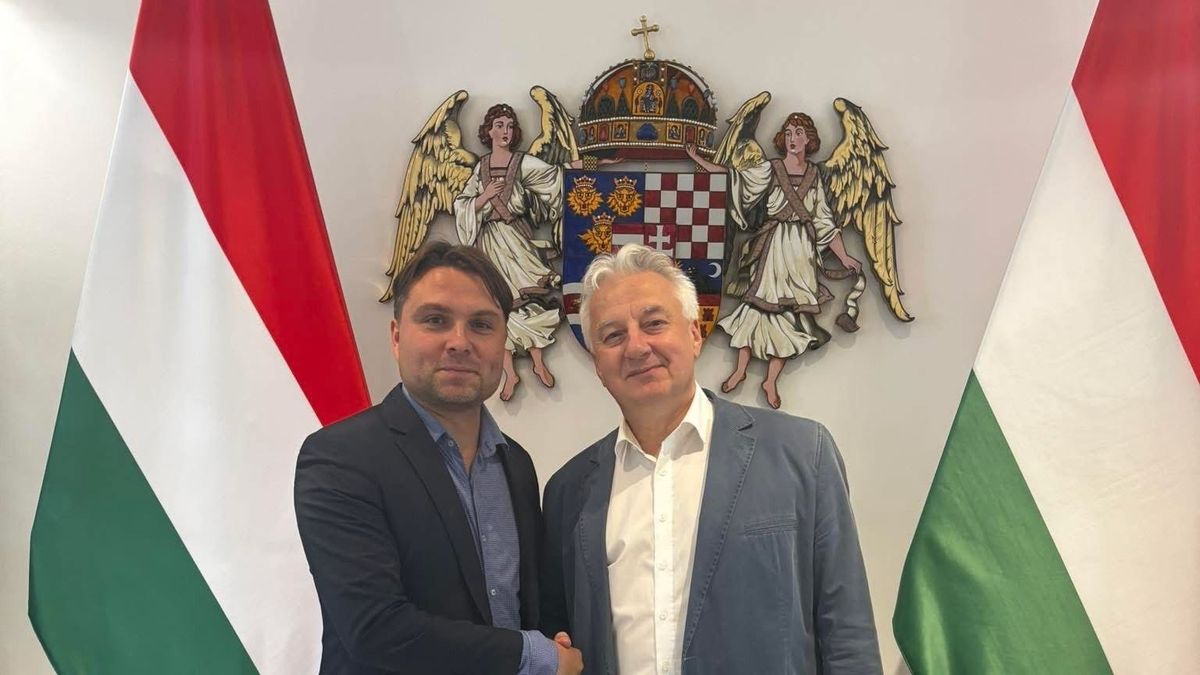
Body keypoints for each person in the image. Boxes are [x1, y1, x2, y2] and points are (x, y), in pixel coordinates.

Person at [540, 244, 882, 674]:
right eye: (613, 336)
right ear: (597, 365)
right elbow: (563, 641)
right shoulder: (569, 491)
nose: (637, 347)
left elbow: (847, 635)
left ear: (694, 334)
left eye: (654, 323)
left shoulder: (800, 453)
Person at [295, 242, 582, 675]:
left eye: (481, 325)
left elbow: (527, 609)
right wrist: (537, 656)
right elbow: (376, 630)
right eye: (435, 320)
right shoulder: (339, 459)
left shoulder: (516, 464)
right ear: (396, 337)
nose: (459, 342)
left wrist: (553, 642)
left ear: (504, 339)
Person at [686, 114, 863, 409]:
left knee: (788, 315)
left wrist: (844, 256)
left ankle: (770, 380)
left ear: (809, 139)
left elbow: (823, 220)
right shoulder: (772, 168)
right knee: (756, 306)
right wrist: (700, 161)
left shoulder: (815, 176)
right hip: (774, 243)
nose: (793, 138)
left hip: (801, 252)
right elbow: (735, 178)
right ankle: (740, 370)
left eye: (799, 133)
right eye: (789, 133)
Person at [454, 104, 566, 402]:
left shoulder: (522, 162)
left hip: (517, 239)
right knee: (499, 305)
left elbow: (554, 178)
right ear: (488, 131)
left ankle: (538, 363)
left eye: (510, 126)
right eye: (499, 125)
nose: (505, 131)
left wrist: (585, 166)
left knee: (528, 299)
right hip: (490, 242)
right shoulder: (481, 168)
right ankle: (509, 373)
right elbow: (462, 204)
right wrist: (484, 197)